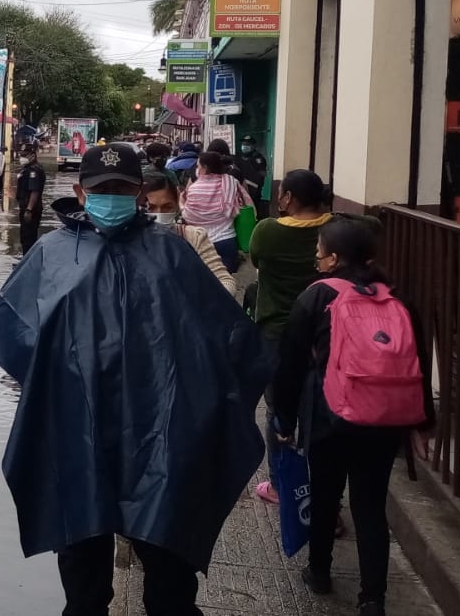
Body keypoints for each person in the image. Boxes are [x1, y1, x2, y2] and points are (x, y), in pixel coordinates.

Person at [0, 143, 270, 616]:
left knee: (170, 587)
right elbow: (16, 340)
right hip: (78, 440)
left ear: (140, 195)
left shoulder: (173, 254)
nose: (112, 196)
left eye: (122, 189)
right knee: (85, 592)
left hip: (162, 442)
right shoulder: (51, 255)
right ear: (80, 192)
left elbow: (224, 337)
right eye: (102, 189)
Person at [273, 219, 434, 616]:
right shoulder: (399, 300)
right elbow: (419, 364)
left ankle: (320, 572)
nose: (316, 256)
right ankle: (373, 598)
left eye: (320, 251)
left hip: (330, 415)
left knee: (326, 494)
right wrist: (422, 421)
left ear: (333, 259)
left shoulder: (315, 296)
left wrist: (284, 419)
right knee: (370, 504)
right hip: (385, 418)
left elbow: (291, 364)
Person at [247, 168, 331, 503]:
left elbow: (255, 257)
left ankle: (282, 486)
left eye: (281, 193)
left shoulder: (267, 232)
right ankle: (321, 493)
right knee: (318, 411)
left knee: (278, 410)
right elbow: (372, 225)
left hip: (276, 332)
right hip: (323, 334)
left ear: (288, 198)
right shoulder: (335, 231)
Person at [142, 171, 235, 296]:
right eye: (150, 208)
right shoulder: (128, 242)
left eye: (167, 207)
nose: (159, 214)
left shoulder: (193, 237)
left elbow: (225, 281)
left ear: (176, 205)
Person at [182, 151, 251, 273]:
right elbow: (246, 204)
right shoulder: (231, 182)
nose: (197, 169)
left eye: (198, 166)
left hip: (201, 243)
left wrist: (181, 204)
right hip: (226, 241)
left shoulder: (193, 188)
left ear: (205, 168)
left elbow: (188, 217)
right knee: (226, 283)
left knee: (204, 282)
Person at [14, 142, 47, 253]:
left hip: (31, 210)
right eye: (22, 155)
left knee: (29, 238)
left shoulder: (34, 171)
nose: (22, 157)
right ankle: (26, 260)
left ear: (33, 155)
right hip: (26, 208)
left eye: (25, 155)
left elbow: (35, 191)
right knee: (25, 237)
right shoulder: (27, 169)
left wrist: (29, 210)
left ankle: (29, 262)